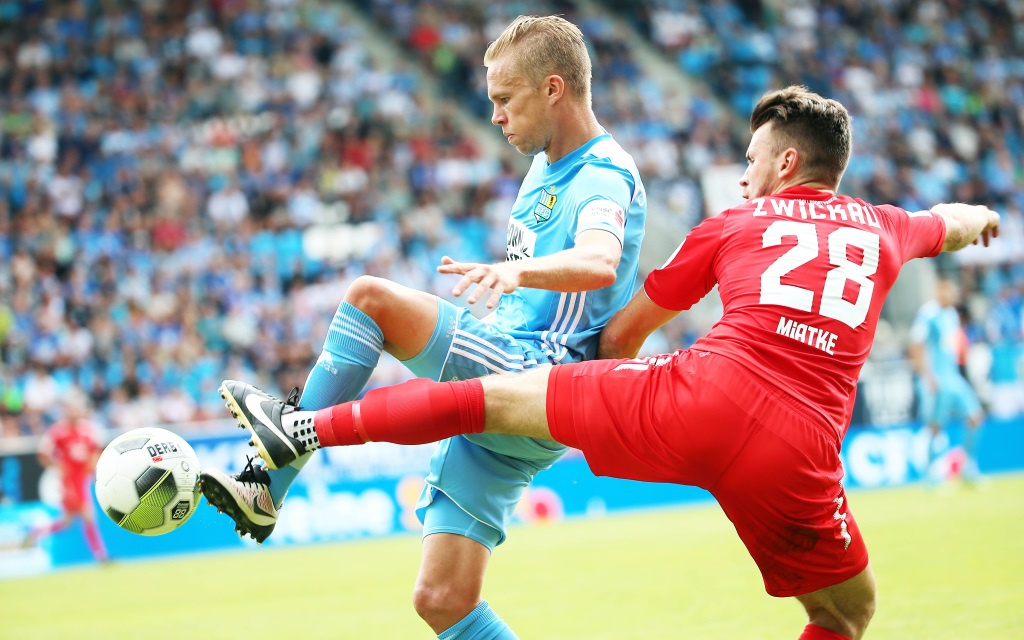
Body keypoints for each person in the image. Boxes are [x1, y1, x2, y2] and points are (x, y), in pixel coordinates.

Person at [220, 86, 1000, 640]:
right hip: (800, 447)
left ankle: (306, 430)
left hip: (694, 397)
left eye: (755, 158)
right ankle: (297, 434)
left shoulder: (734, 221)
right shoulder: (890, 227)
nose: (743, 173)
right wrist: (985, 218)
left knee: (492, 399)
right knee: (845, 615)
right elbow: (952, 222)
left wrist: (587, 380)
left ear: (788, 162)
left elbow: (629, 327)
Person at [201, 15, 647, 640]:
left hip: (542, 376)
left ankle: (268, 476)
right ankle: (271, 472)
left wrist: (515, 276)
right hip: (508, 402)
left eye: (504, 98)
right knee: (441, 600)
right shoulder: (546, 166)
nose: (494, 115)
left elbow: (601, 260)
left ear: (553, 89)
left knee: (370, 300)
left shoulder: (602, 172)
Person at [908, 277, 985, 482]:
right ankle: (932, 470)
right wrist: (927, 376)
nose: (953, 296)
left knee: (975, 416)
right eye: (949, 292)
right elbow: (916, 345)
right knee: (935, 426)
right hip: (936, 379)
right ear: (939, 292)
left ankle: (967, 464)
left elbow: (952, 346)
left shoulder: (951, 314)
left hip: (953, 376)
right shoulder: (928, 313)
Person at [25, 391, 109, 563]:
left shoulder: (88, 430)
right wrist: (58, 467)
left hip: (82, 478)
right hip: (70, 480)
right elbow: (43, 453)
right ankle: (101, 555)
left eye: (77, 409)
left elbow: (95, 451)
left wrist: (93, 470)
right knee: (88, 515)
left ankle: (36, 532)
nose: (74, 412)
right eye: (71, 409)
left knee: (67, 521)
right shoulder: (58, 431)